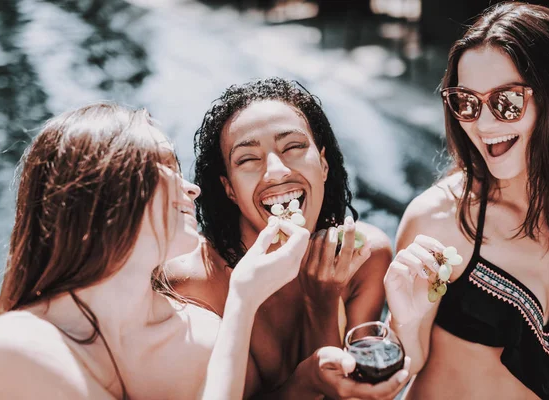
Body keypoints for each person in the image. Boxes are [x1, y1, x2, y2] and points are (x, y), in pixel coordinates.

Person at [0, 102, 310, 400]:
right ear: (100, 192)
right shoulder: (17, 347)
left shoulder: (202, 335)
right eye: (166, 167)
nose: (192, 189)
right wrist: (242, 303)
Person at [166, 77, 410, 399]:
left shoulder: (365, 256)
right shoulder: (194, 283)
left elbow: (351, 392)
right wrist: (310, 377)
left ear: (323, 165)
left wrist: (323, 301)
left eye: (293, 147)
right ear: (229, 190)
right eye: (248, 159)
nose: (277, 171)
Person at [384, 2, 549, 399]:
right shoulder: (440, 219)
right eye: (466, 101)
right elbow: (401, 367)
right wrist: (404, 323)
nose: (482, 124)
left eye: (507, 101)